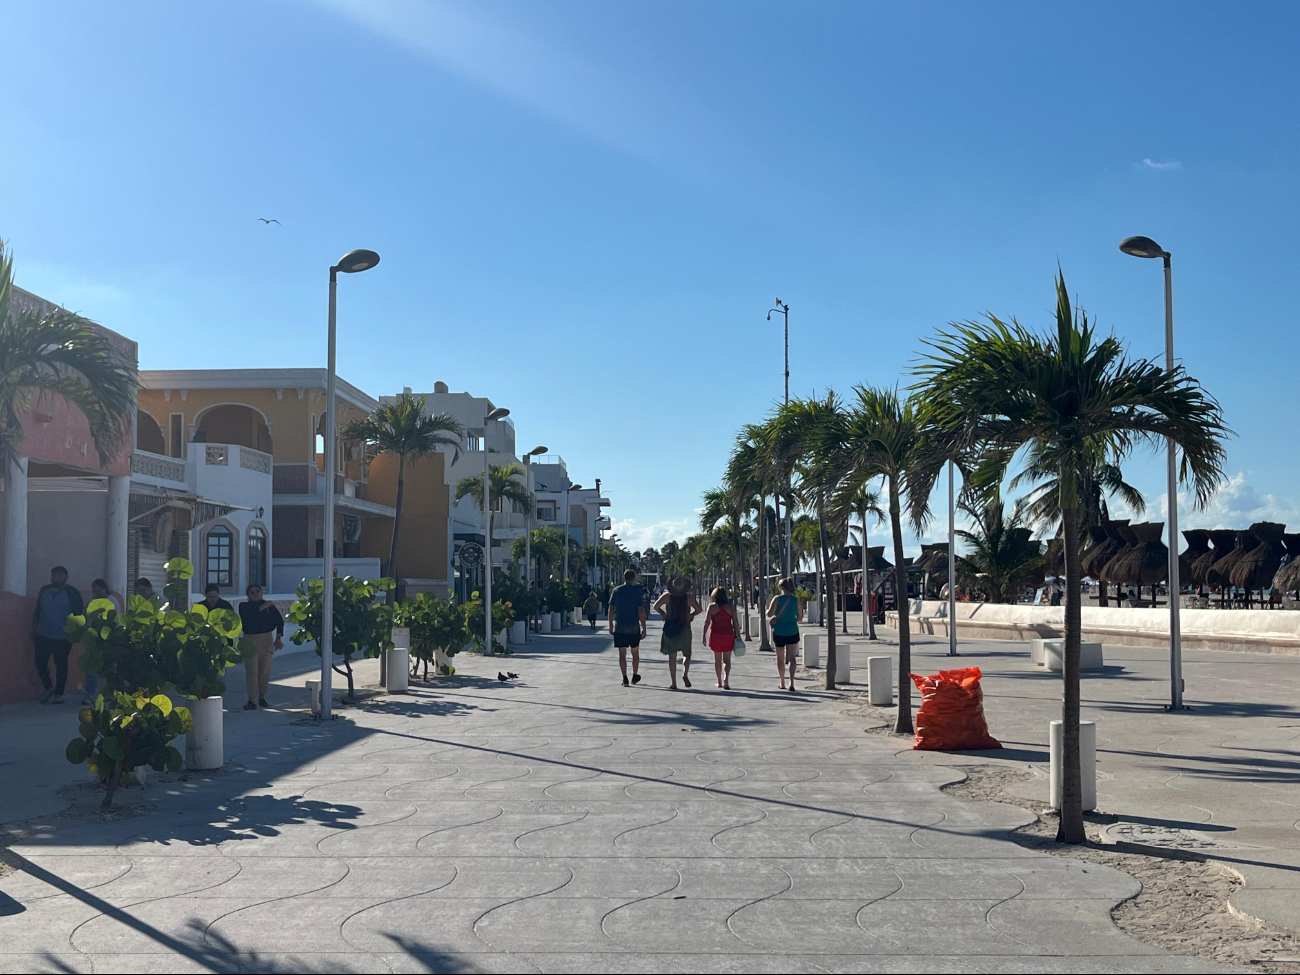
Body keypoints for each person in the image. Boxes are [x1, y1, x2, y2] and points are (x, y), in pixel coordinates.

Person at [31, 566, 84, 704]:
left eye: (59, 575)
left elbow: (79, 612)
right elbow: (37, 611)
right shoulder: (44, 591)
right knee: (40, 662)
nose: (56, 578)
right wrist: (34, 629)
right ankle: (48, 687)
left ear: (65, 577)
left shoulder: (72, 592)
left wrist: (76, 632)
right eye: (54, 575)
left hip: (64, 637)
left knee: (61, 665)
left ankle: (59, 694)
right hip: (44, 635)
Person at [238, 584, 284, 710]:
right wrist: (264, 606)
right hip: (250, 638)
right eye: (252, 592)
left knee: (264, 668)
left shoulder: (269, 606)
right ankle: (251, 699)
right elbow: (249, 617)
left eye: (258, 591)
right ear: (248, 595)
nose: (256, 594)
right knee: (251, 669)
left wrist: (278, 638)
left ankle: (262, 697)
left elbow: (279, 621)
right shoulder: (244, 606)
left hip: (266, 638)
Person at [653, 577, 702, 690]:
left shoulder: (667, 597)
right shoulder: (688, 598)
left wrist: (663, 613)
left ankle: (674, 683)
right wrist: (691, 615)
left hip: (670, 628)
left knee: (672, 656)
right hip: (684, 627)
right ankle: (685, 674)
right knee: (687, 654)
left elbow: (655, 606)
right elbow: (699, 609)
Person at [82, 579, 123, 704]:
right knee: (91, 665)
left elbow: (116, 621)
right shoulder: (91, 600)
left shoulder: (112, 601)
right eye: (94, 590)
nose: (96, 593)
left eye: (98, 590)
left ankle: (110, 693)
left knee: (109, 667)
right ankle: (91, 693)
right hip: (93, 637)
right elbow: (86, 616)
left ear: (105, 589)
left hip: (108, 638)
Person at [608, 568, 647, 686]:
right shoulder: (637, 592)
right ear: (634, 578)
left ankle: (624, 677)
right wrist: (644, 627)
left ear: (624, 578)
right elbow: (640, 610)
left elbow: (611, 609)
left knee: (622, 653)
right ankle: (635, 675)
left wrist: (610, 625)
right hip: (633, 627)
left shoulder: (616, 591)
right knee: (635, 652)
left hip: (620, 626)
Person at [766, 577, 803, 692]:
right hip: (792, 630)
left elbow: (769, 614)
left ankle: (782, 682)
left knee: (780, 657)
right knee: (792, 657)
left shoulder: (777, 599)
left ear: (781, 587)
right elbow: (800, 618)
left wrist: (768, 612)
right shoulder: (796, 600)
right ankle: (791, 681)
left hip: (779, 631)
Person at [702, 586, 740, 690]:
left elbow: (707, 622)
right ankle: (726, 680)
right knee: (727, 660)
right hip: (728, 634)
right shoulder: (730, 607)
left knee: (717, 660)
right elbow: (735, 621)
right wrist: (739, 635)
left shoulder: (711, 607)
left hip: (715, 635)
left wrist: (704, 635)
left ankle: (719, 681)